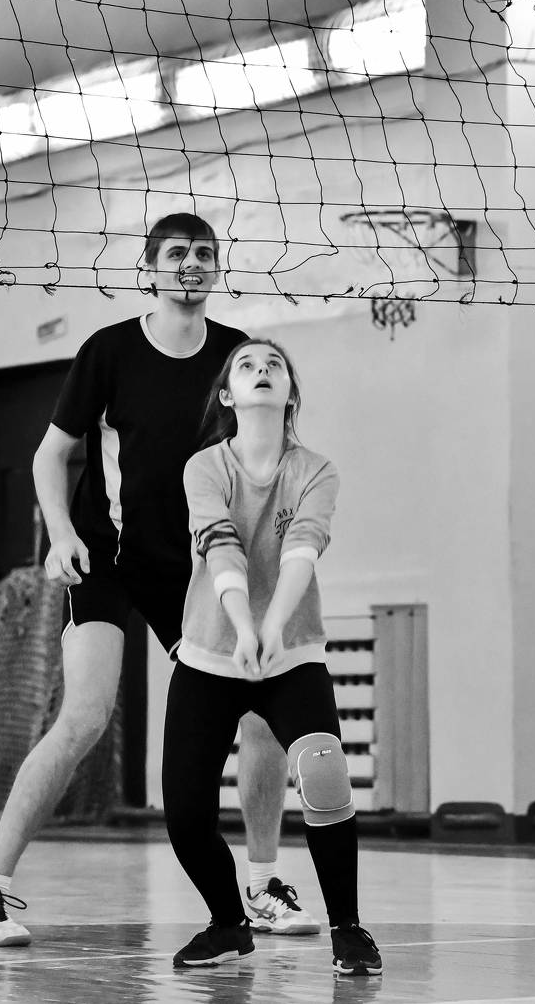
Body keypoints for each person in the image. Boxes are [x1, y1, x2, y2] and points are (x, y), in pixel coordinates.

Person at [0, 213, 318, 948]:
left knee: (258, 717)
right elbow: (49, 455)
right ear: (149, 268)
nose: (191, 264)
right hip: (109, 560)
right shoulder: (110, 350)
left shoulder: (236, 356)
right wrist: (61, 534)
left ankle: (262, 884)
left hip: (195, 572)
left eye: (204, 253)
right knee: (84, 717)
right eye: (177, 253)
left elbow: (260, 459)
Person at [165, 338, 381, 977]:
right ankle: (229, 924)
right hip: (211, 652)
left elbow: (302, 550)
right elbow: (220, 547)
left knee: (325, 777)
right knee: (185, 816)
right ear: (227, 396)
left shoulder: (316, 470)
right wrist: (242, 626)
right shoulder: (204, 467)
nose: (262, 371)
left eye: (274, 365)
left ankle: (348, 929)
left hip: (291, 654)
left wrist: (272, 628)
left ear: (290, 394)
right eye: (247, 366)